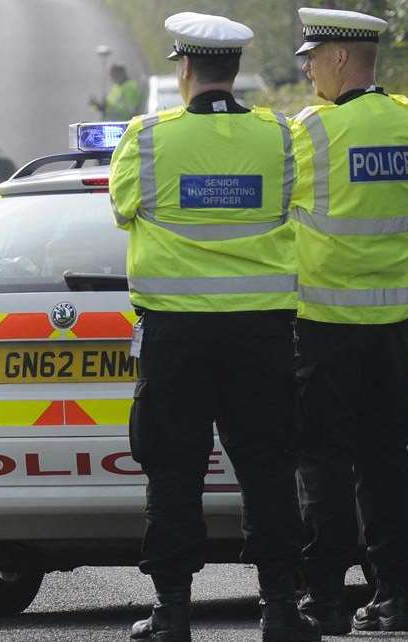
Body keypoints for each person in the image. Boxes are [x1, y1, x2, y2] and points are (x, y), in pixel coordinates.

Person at [109, 11, 320, 642]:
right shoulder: (281, 138)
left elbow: (123, 209)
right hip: (261, 336)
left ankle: (172, 612)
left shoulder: (147, 139)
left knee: (173, 472)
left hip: (175, 339)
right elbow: (292, 203)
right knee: (269, 470)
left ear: (184, 69)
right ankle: (280, 609)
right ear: (234, 72)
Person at [291, 7, 408, 635]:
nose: (307, 68)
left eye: (312, 57)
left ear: (340, 58)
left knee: (323, 465)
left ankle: (327, 601)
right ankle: (396, 596)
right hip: (398, 328)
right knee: (390, 461)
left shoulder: (311, 132)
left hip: (325, 327)